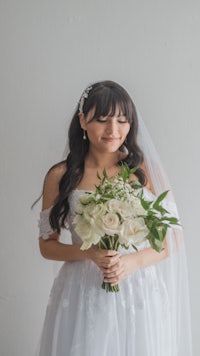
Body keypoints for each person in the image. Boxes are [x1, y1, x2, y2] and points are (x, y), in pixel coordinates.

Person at [37, 80, 192, 356]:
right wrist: (89, 254)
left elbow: (173, 239)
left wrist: (132, 262)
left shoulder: (144, 170)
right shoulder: (60, 176)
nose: (113, 130)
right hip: (80, 290)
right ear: (83, 121)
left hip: (138, 291)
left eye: (122, 121)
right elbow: (46, 245)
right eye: (103, 120)